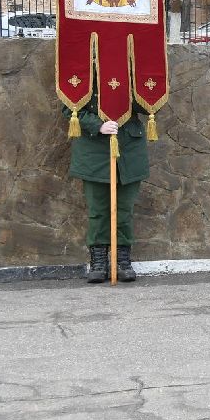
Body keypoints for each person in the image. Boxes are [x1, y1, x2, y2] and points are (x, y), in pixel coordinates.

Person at [63, 88, 150, 283]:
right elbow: (69, 107)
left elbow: (148, 105)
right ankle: (99, 261)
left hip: (129, 147)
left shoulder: (132, 70)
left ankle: (122, 260)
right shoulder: (84, 71)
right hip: (94, 148)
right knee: (98, 209)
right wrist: (97, 125)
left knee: (124, 208)